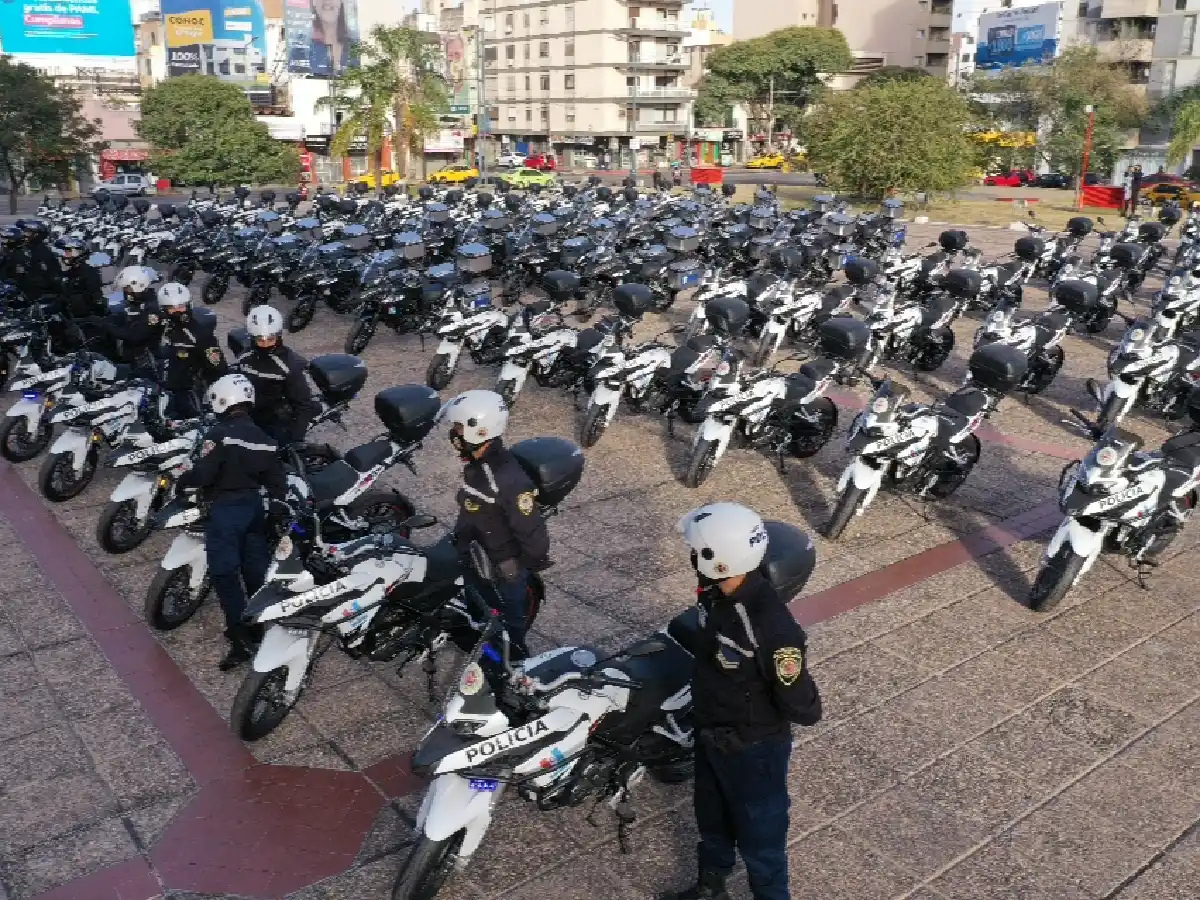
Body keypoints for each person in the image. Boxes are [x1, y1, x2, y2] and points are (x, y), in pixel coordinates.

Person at [661, 502, 822, 900]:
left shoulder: (771, 628)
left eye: (696, 551)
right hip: (712, 731)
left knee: (760, 839)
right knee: (711, 817)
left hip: (754, 750)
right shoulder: (716, 594)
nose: (691, 556)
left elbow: (802, 705)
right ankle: (711, 887)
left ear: (717, 560)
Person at [176, 373, 287, 670]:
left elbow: (204, 474)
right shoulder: (266, 441)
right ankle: (260, 628)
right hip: (253, 508)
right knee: (255, 573)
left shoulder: (220, 434)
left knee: (225, 575)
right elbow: (278, 484)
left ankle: (240, 641)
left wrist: (182, 482)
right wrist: (275, 507)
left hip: (226, 509)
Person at [441, 389, 548, 659]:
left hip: (501, 567)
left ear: (480, 430)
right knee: (476, 601)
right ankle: (478, 637)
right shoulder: (479, 464)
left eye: (458, 427)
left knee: (509, 626)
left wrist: (525, 564)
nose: (453, 433)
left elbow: (531, 529)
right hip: (475, 552)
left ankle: (516, 667)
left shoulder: (505, 478)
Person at [234, 305, 320, 445]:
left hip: (275, 422)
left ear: (278, 335)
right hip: (249, 417)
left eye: (270, 339)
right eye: (260, 340)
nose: (265, 344)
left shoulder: (289, 365)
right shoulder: (244, 357)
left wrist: (295, 440)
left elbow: (304, 405)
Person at [157, 282, 226, 419]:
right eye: (172, 308)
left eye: (181, 306)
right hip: (161, 386)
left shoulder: (199, 335)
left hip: (186, 396)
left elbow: (219, 369)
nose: (178, 311)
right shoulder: (164, 327)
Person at [93, 266, 163, 372]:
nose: (126, 292)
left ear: (139, 286)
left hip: (146, 364)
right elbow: (125, 316)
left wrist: (108, 326)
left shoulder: (153, 309)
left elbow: (135, 335)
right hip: (133, 357)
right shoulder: (137, 303)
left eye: (127, 288)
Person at [14, 219, 60, 299]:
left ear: (36, 234)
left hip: (36, 293)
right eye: (23, 232)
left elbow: (45, 278)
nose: (24, 235)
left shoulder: (42, 251)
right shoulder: (24, 248)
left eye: (27, 232)